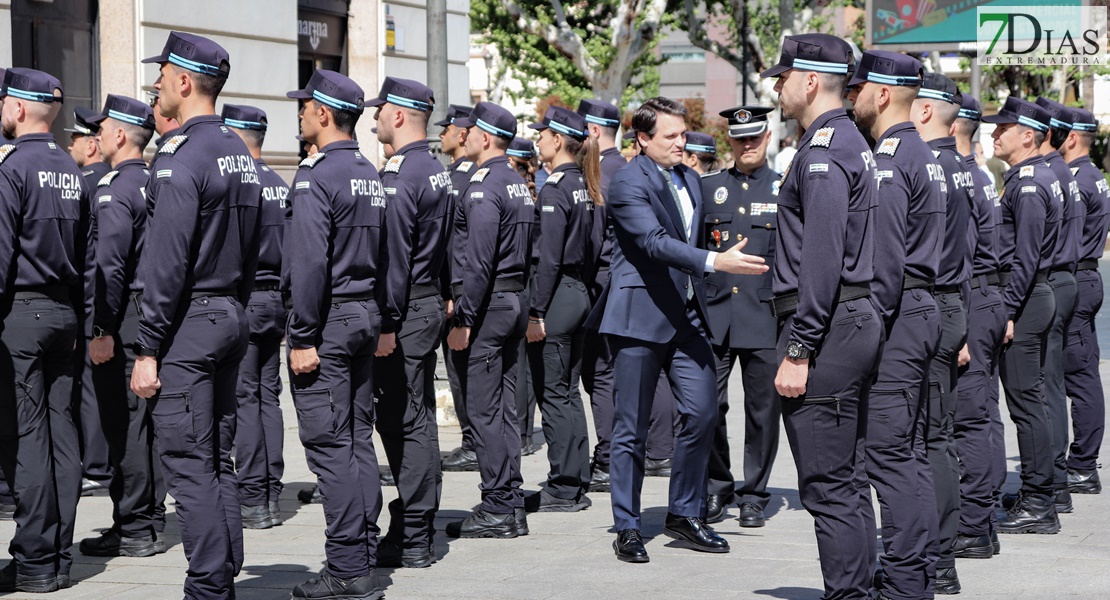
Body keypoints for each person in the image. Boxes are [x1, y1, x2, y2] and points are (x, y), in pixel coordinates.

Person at [587, 96, 767, 563]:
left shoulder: (690, 177)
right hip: (640, 317)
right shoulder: (627, 180)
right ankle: (627, 526)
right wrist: (714, 261)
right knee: (632, 428)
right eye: (670, 136)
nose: (681, 143)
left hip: (687, 316)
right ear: (643, 138)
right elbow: (652, 241)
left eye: (683, 135)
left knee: (704, 411)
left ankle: (684, 514)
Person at [130, 32, 262, 599]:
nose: (155, 83)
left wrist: (147, 347)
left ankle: (208, 587)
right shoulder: (237, 150)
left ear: (184, 82)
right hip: (231, 313)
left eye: (162, 74)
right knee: (215, 458)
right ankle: (222, 573)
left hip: (189, 323)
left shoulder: (179, 157)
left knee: (189, 464)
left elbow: (165, 262)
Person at [760, 34, 882, 598]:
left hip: (826, 328)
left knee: (829, 485)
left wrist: (799, 347)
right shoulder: (845, 142)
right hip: (847, 321)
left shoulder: (825, 149)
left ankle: (849, 593)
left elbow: (823, 255)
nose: (775, 85)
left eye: (782, 76)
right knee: (847, 479)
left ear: (810, 80)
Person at [282, 68, 393, 599]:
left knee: (330, 447)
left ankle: (348, 568)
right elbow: (389, 256)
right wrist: (386, 318)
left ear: (323, 114)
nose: (300, 113)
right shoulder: (368, 171)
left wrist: (302, 336)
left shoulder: (316, 175)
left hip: (327, 322)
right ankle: (363, 552)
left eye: (305, 106)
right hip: (363, 315)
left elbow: (307, 264)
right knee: (354, 440)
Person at [847, 50, 946, 600]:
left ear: (881, 94)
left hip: (900, 313)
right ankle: (918, 569)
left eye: (859, 88)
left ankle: (908, 580)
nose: (853, 97)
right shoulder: (921, 150)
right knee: (906, 451)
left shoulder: (888, 158)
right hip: (921, 307)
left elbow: (884, 261)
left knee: (888, 452)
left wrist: (869, 328)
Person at [0, 67, 86, 594]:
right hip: (64, 315)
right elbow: (89, 256)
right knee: (62, 433)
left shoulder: (13, 170)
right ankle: (57, 554)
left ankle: (33, 559)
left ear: (16, 107)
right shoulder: (70, 168)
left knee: (26, 437)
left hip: (22, 316)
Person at [77, 95, 167, 559]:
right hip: (151, 311)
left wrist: (101, 330)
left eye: (102, 127)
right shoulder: (154, 180)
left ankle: (132, 525)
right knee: (146, 424)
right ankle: (148, 518)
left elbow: (109, 267)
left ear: (118, 135)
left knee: (125, 425)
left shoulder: (114, 188)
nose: (95, 135)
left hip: (125, 314)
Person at [370, 76, 453, 569]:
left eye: (380, 109)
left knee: (406, 422)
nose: (375, 116)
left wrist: (385, 321)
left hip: (404, 310)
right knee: (414, 417)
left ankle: (414, 530)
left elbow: (393, 258)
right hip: (423, 303)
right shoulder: (434, 167)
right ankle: (417, 522)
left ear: (398, 115)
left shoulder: (401, 174)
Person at [444, 101, 534, 539]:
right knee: (505, 408)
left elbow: (478, 262)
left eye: (471, 131)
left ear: (484, 136)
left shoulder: (482, 185)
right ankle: (510, 498)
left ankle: (498, 503)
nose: (465, 137)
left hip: (490, 305)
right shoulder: (516, 180)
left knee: (483, 408)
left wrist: (464, 317)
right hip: (513, 299)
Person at [982, 96, 1061, 535]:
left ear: (1027, 135)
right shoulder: (1027, 177)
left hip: (1026, 298)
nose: (995, 134)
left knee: (1026, 402)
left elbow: (1025, 259)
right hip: (1031, 295)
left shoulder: (1028, 184)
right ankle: (1039, 491)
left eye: (1002, 129)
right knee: (1029, 400)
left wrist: (1008, 311)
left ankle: (1039, 501)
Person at [700, 105, 781, 528]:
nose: (747, 145)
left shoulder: (786, 188)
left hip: (765, 316)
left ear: (767, 138)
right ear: (729, 142)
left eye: (755, 137)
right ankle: (717, 486)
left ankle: (754, 493)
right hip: (716, 315)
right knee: (708, 405)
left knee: (763, 411)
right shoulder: (709, 187)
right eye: (740, 138)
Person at [912, 72, 974, 594]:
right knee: (938, 434)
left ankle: (938, 560)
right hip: (951, 302)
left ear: (926, 110)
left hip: (930, 305)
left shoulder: (928, 164)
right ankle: (938, 554)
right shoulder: (961, 168)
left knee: (928, 438)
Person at [523, 106, 599, 512]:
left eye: (542, 134)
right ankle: (576, 478)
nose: (538, 140)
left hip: (556, 296)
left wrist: (536, 312)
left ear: (557, 140)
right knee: (567, 392)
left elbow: (549, 257)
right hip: (578, 292)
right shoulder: (584, 184)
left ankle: (564, 485)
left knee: (552, 393)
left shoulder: (555, 188)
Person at [219, 103, 289, 530]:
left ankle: (253, 496)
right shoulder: (281, 184)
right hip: (278, 299)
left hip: (247, 298)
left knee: (246, 397)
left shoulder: (239, 183)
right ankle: (270, 490)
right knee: (268, 395)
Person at [949, 94, 1006, 559]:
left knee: (968, 419)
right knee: (983, 414)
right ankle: (982, 519)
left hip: (972, 298)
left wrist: (963, 328)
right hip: (986, 296)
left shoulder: (962, 177)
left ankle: (973, 524)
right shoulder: (981, 176)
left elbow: (963, 258)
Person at [1032, 96, 1084, 514]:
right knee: (1050, 385)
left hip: (1051, 279)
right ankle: (1056, 477)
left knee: (1045, 387)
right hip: (1065, 277)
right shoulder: (1062, 172)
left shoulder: (1045, 173)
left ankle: (1053, 481)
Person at [64, 105, 115, 497]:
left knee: (90, 386)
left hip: (91, 296)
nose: (70, 145)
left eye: (76, 139)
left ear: (93, 144)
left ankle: (96, 464)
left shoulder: (89, 182)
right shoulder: (103, 178)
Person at [1061, 107, 1108, 496]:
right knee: (1084, 372)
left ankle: (1081, 465)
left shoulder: (1079, 180)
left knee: (1079, 377)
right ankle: (1081, 462)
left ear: (1072, 138)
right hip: (1087, 277)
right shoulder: (1095, 176)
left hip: (1078, 277)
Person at [436, 103, 481, 473]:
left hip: (460, 288)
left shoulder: (460, 178)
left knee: (463, 369)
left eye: (447, 128)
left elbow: (455, 243)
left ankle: (473, 441)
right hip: (464, 287)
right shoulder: (457, 174)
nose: (442, 134)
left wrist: (452, 292)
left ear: (462, 133)